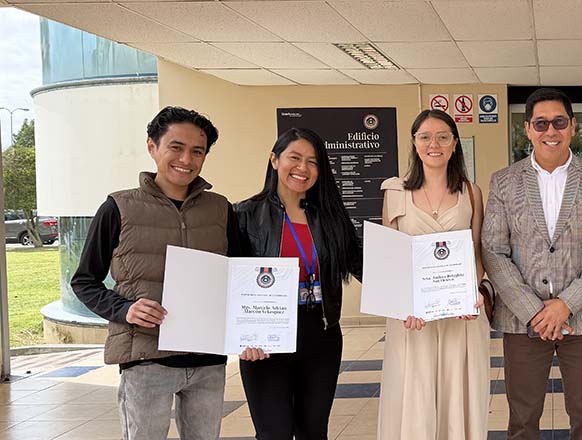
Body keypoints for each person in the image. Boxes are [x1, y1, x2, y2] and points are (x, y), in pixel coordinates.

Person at [71, 106, 236, 440]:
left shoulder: (220, 208)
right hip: (146, 359)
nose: (186, 160)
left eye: (197, 151)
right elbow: (84, 281)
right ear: (152, 146)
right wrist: (125, 309)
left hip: (208, 360)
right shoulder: (118, 208)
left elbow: (240, 276)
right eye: (176, 147)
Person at [482, 88, 582, 440]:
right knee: (522, 421)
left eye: (558, 122)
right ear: (527, 129)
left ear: (573, 126)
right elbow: (494, 251)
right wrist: (534, 310)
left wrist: (565, 305)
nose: (550, 131)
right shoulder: (504, 182)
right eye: (540, 123)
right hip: (521, 319)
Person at [234, 127, 363, 440]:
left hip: (320, 334)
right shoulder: (244, 215)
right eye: (295, 158)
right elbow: (230, 282)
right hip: (266, 339)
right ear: (275, 160)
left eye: (313, 162)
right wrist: (241, 337)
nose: (303, 168)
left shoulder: (330, 216)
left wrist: (418, 293)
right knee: (273, 433)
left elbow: (362, 265)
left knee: (313, 431)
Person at [376, 110, 489, 439]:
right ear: (414, 142)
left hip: (461, 317)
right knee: (417, 395)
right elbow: (390, 259)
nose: (433, 144)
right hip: (413, 319)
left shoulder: (471, 192)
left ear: (455, 143)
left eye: (442, 136)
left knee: (460, 395)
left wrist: (474, 293)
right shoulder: (396, 192)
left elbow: (476, 251)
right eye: (425, 136)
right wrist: (404, 305)